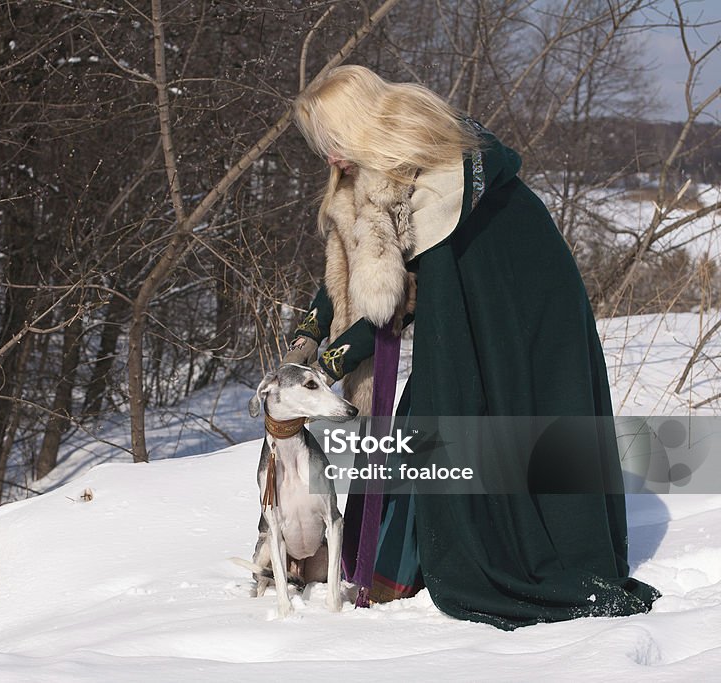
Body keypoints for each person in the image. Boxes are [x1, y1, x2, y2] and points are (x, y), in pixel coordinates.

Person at [280, 65, 659, 629]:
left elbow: (399, 290)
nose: (330, 157)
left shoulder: (440, 170)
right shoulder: (371, 173)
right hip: (464, 305)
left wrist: (340, 355)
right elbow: (359, 266)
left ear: (361, 125)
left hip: (522, 299)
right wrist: (313, 332)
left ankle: (504, 551)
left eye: (333, 140)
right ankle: (390, 562)